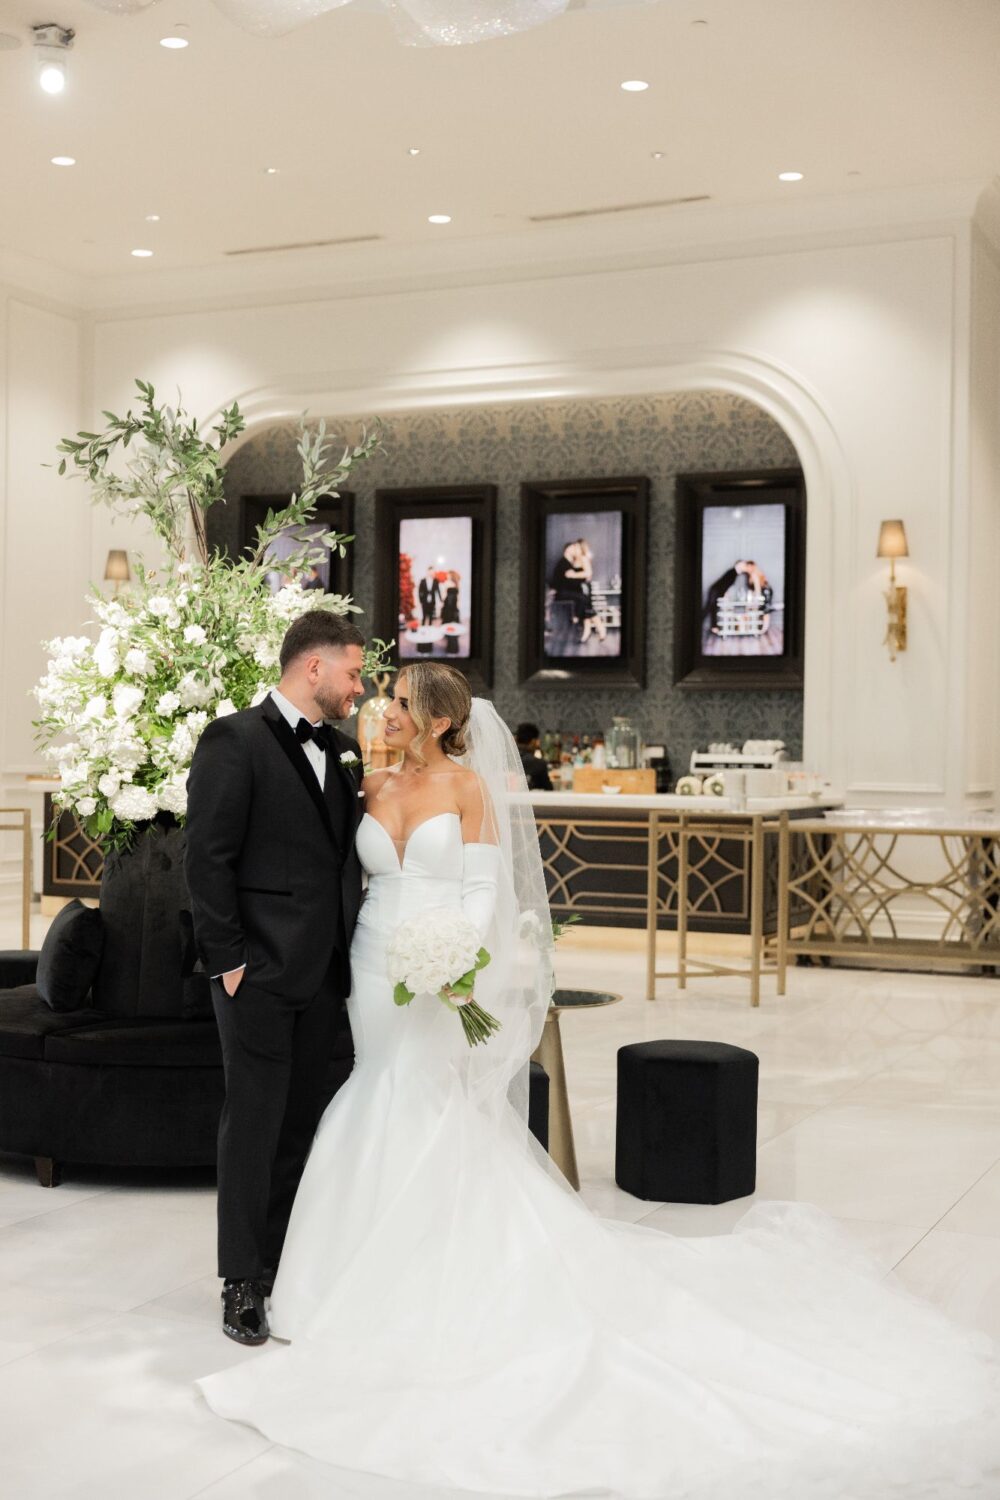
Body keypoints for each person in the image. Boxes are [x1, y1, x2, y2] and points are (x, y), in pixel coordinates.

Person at [198, 662, 1000, 1498]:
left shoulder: (470, 788)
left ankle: (439, 1281)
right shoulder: (368, 781)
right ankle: (336, 1280)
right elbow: (333, 872)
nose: (383, 709)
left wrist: (457, 965)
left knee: (427, 1099)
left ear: (436, 719)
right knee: (374, 1086)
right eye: (385, 698)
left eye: (399, 702)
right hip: (370, 964)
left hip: (438, 971)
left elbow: (483, 892)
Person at [185, 611, 367, 1347]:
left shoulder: (345, 750)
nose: (360, 688)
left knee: (300, 1125)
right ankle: (239, 1282)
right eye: (353, 673)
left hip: (325, 972)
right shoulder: (233, 740)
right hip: (255, 972)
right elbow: (208, 858)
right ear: (313, 667)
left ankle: (279, 1265)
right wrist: (230, 962)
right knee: (253, 1126)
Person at [514, 719, 553, 790]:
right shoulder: (539, 764)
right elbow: (549, 790)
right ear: (534, 741)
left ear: (516, 739)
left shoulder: (507, 761)